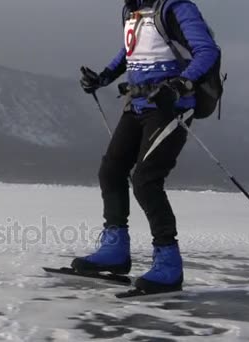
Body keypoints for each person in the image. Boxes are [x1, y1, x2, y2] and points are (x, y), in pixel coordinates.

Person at [73, 0, 220, 294]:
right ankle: (115, 251)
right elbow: (131, 52)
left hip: (170, 106)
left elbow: (207, 52)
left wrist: (180, 85)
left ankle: (168, 264)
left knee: (146, 180)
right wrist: (103, 77)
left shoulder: (176, 8)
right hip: (138, 104)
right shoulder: (133, 10)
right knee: (111, 172)